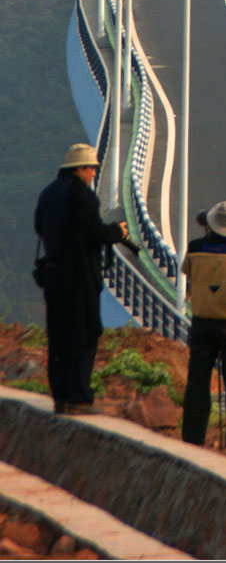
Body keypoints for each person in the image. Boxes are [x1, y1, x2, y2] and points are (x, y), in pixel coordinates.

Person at [34, 143, 127, 415]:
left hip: (52, 274)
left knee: (58, 334)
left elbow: (39, 226)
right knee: (84, 333)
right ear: (79, 168)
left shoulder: (48, 193)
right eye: (91, 169)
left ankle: (60, 396)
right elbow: (94, 232)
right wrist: (116, 232)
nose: (94, 174)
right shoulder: (82, 196)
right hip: (78, 277)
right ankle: (79, 397)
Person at [181, 199, 226, 457]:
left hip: (201, 321)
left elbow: (187, 270)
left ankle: (192, 438)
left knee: (197, 382)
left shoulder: (196, 247)